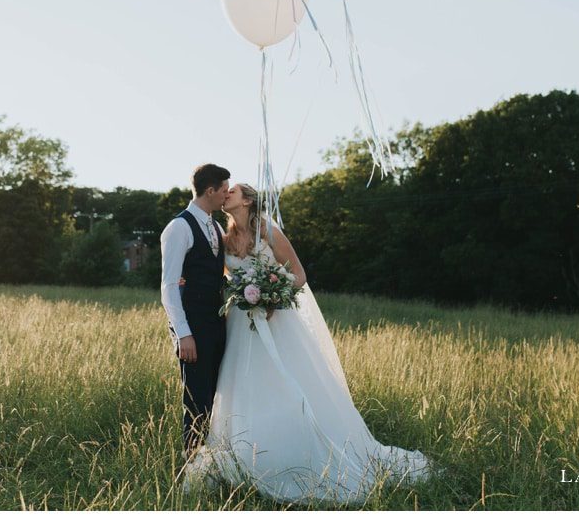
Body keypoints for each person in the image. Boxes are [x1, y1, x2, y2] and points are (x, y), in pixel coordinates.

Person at [181, 182, 441, 505]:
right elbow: (209, 271)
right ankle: (247, 452)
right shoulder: (223, 238)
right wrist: (185, 279)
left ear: (247, 199)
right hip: (241, 327)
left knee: (287, 384)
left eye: (232, 190)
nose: (226, 194)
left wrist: (273, 295)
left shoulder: (268, 231)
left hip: (275, 320)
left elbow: (298, 274)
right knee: (244, 388)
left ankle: (298, 446)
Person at [159, 163, 231, 456]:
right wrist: (183, 334)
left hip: (217, 322)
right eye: (224, 191)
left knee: (216, 397)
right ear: (210, 191)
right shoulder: (179, 227)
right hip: (194, 326)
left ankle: (212, 460)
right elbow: (168, 287)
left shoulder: (214, 225)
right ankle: (191, 468)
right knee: (196, 399)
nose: (227, 196)